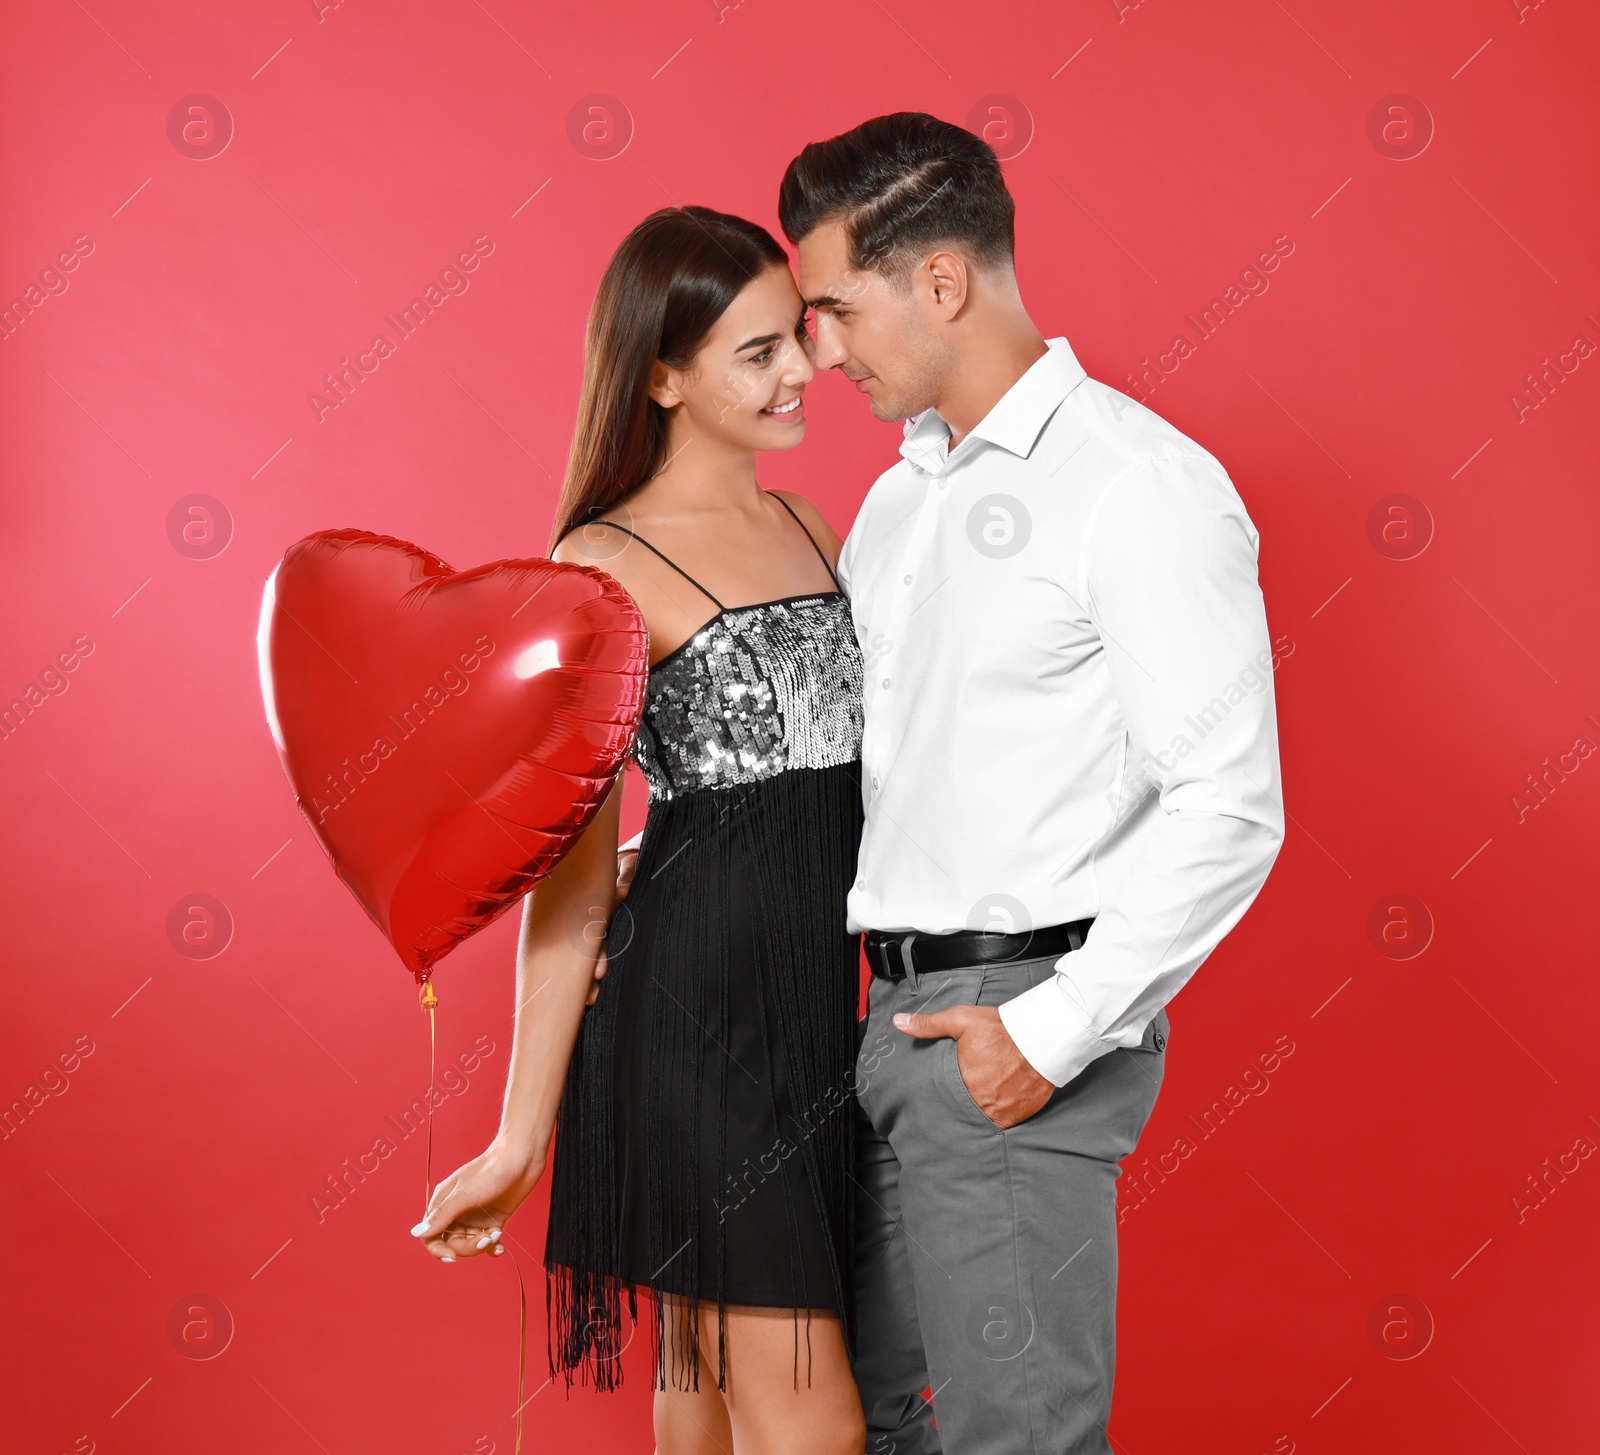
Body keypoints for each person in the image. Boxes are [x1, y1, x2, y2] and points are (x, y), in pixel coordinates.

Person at [777, 113, 1286, 1453]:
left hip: (1009, 1021)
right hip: (878, 1020)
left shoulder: (1137, 487)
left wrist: (1046, 1039)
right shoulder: (898, 505)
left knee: (1017, 1439)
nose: (819, 350)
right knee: (872, 1428)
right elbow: (865, 774)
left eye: (835, 305)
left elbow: (1230, 803)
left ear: (939, 282)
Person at [409, 206, 869, 1455]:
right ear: (663, 376)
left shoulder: (818, 531)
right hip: (692, 1029)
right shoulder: (596, 570)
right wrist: (520, 1131)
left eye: (800, 336)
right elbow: (566, 877)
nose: (801, 372)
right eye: (756, 353)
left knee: (706, 1404)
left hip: (820, 1018)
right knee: (808, 1424)